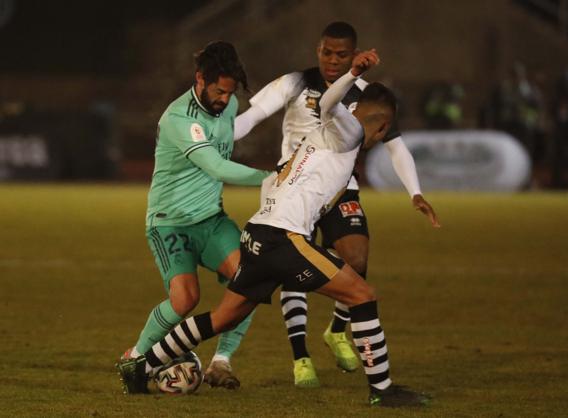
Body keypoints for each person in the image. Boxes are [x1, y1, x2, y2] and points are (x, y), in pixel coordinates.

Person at [117, 48, 439, 408]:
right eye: (384, 133)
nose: (381, 139)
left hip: (258, 232)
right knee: (362, 295)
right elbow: (331, 99)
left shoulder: (335, 128)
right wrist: (350, 75)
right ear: (381, 125)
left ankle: (145, 365)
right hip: (282, 239)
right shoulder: (348, 129)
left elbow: (327, 109)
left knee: (224, 317)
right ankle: (382, 390)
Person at [233, 21, 437, 387]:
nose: (332, 60)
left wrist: (415, 192)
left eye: (341, 54)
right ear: (318, 50)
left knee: (358, 259)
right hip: (293, 189)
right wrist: (216, 141)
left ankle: (337, 330)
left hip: (339, 188)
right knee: (292, 268)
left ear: (353, 54)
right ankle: (301, 357)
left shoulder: (365, 94)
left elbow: (396, 145)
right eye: (327, 52)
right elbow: (252, 117)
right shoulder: (294, 82)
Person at [117, 41, 270, 390]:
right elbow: (216, 166)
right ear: (199, 79)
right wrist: (271, 178)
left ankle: (221, 362)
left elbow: (234, 127)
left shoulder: (228, 104)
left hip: (211, 220)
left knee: (250, 279)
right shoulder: (178, 118)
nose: (224, 99)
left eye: (230, 92)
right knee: (185, 299)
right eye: (218, 90)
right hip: (169, 221)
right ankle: (136, 358)